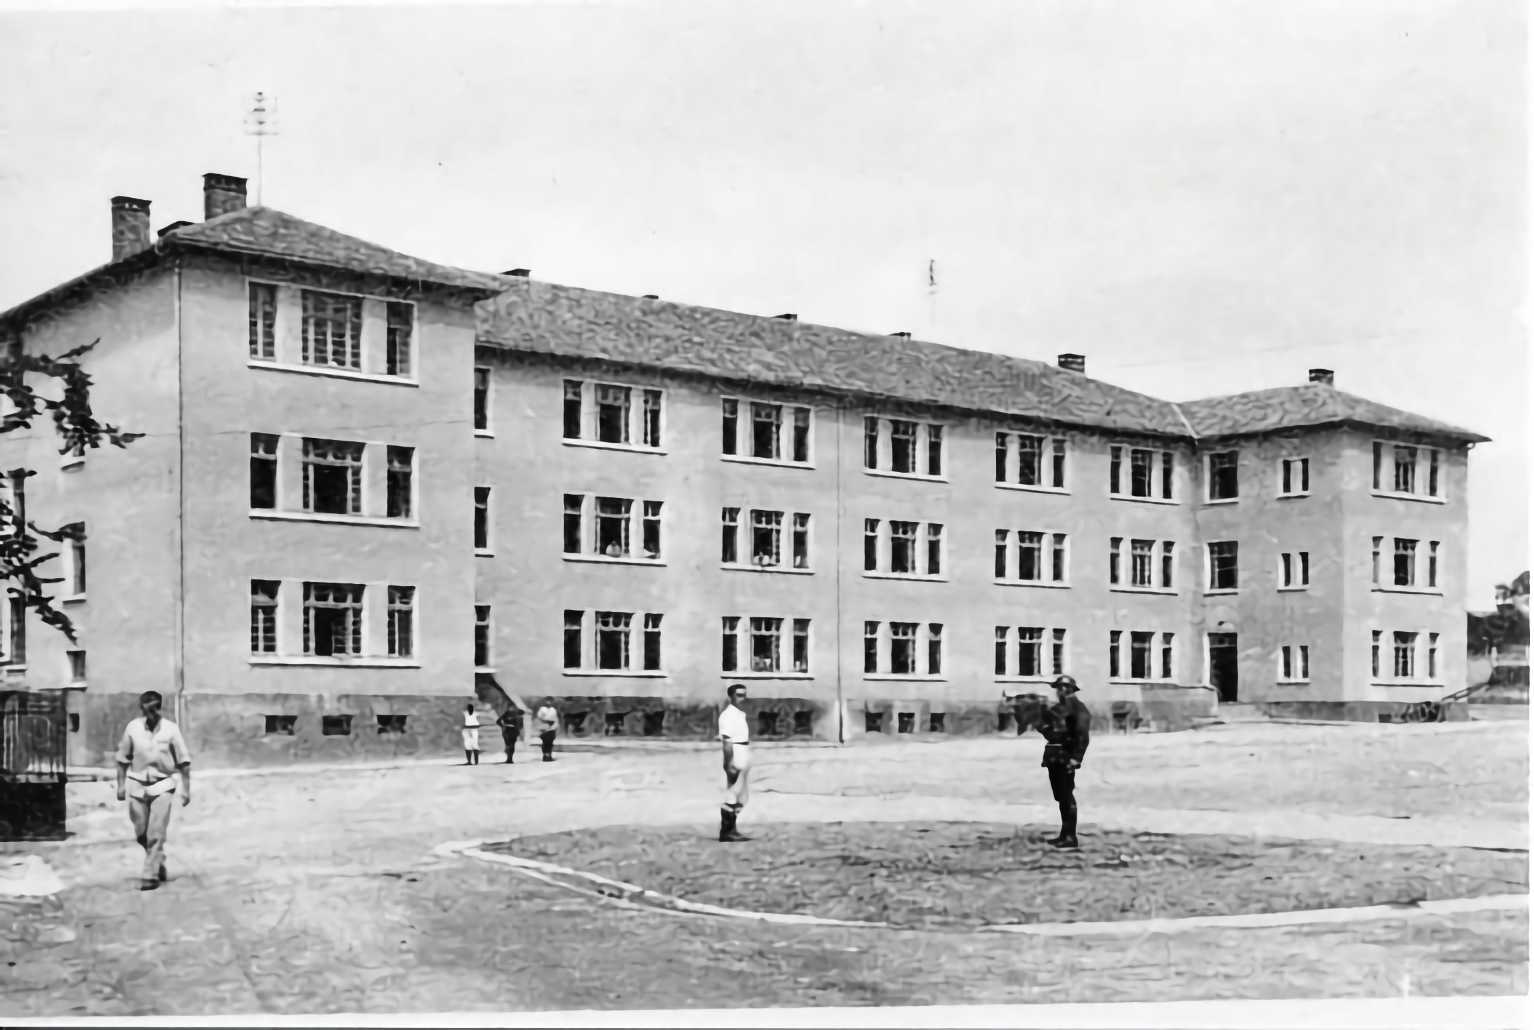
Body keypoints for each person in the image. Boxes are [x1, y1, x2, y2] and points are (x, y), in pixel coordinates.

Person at [114, 690, 192, 891]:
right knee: (141, 834)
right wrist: (121, 785)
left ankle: (149, 875)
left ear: (160, 707)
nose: (152, 713)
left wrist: (186, 789)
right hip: (137, 783)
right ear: (142, 709)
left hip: (162, 785)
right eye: (148, 709)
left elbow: (183, 761)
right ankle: (158, 861)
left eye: (156, 708)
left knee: (155, 832)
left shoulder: (171, 730)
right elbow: (123, 758)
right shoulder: (133, 728)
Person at [1040, 675, 1091, 848]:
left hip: (1066, 757)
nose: (1058, 692)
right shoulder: (1058, 709)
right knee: (1060, 796)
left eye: (1060, 688)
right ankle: (1064, 834)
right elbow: (1052, 733)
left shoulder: (1078, 709)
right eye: (1057, 688)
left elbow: (1082, 736)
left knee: (1066, 796)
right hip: (1054, 755)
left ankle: (1070, 836)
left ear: (1068, 689)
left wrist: (1075, 758)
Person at [718, 683, 752, 843]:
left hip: (744, 750)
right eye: (738, 695)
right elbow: (727, 741)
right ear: (731, 696)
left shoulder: (739, 714)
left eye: (744, 695)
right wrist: (729, 762)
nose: (742, 698)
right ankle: (727, 831)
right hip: (736, 751)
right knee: (732, 792)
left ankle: (732, 828)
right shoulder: (728, 715)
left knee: (742, 795)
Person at [535, 697, 559, 762]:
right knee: (545, 742)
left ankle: (549, 755)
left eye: (550, 701)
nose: (549, 703)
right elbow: (539, 717)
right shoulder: (542, 709)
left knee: (550, 742)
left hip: (551, 726)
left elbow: (555, 719)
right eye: (547, 701)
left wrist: (554, 726)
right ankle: (545, 755)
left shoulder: (553, 710)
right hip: (544, 726)